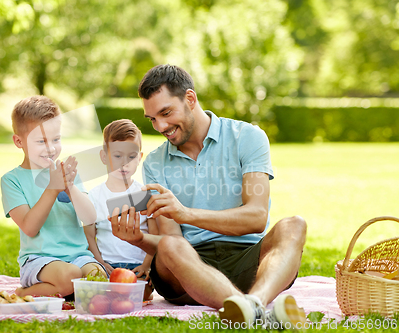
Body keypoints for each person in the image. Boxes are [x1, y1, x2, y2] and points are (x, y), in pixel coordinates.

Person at [109, 65, 307, 328]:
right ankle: (254, 311)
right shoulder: (155, 163)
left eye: (166, 113)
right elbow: (173, 244)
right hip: (190, 269)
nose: (161, 126)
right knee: (169, 245)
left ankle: (253, 305)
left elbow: (257, 218)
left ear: (190, 99)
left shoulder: (248, 138)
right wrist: (139, 239)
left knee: (294, 225)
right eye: (152, 119)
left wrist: (186, 214)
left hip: (248, 257)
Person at [0, 95, 106, 299]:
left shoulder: (67, 173)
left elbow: (90, 216)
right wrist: (53, 188)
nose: (51, 148)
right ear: (19, 141)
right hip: (39, 260)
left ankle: (68, 291)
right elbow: (30, 227)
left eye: (56, 139)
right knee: (71, 277)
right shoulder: (11, 180)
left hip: (79, 256)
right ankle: (24, 292)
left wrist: (71, 188)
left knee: (99, 278)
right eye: (41, 141)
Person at [84, 119, 158, 300]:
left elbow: (155, 236)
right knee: (96, 290)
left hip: (138, 267)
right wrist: (99, 262)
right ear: (103, 156)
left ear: (139, 158)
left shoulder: (143, 195)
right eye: (117, 156)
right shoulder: (93, 196)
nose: (124, 163)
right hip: (107, 266)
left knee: (142, 295)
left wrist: (147, 265)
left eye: (131, 157)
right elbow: (88, 236)